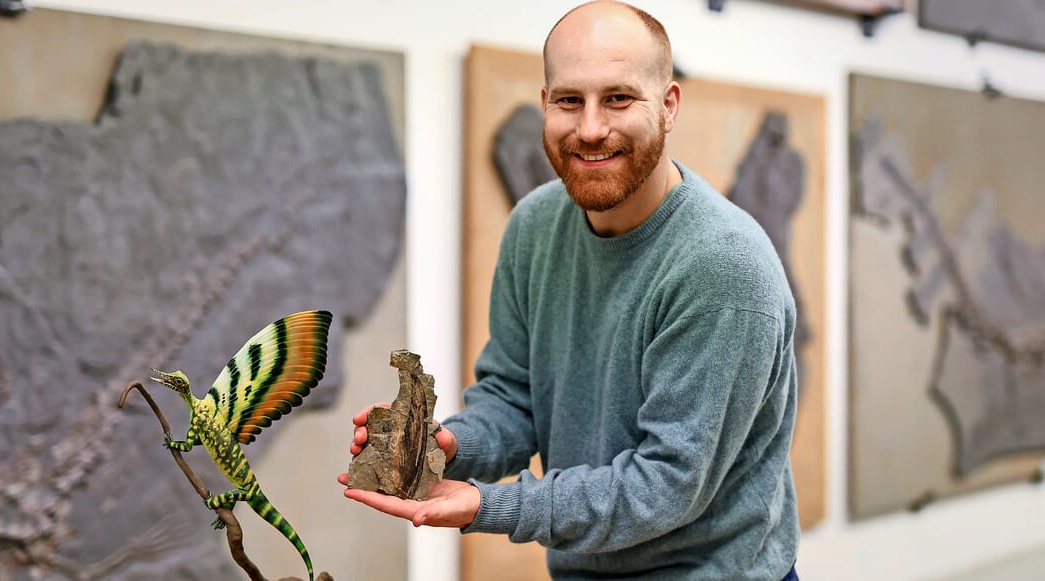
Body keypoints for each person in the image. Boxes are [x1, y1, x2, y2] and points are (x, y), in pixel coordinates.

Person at [339, 1, 801, 578]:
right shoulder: (534, 225)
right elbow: (514, 398)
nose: (589, 128)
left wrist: (491, 505)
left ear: (668, 106)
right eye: (569, 100)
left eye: (619, 98)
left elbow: (665, 485)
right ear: (545, 104)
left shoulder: (723, 266)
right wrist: (448, 445)